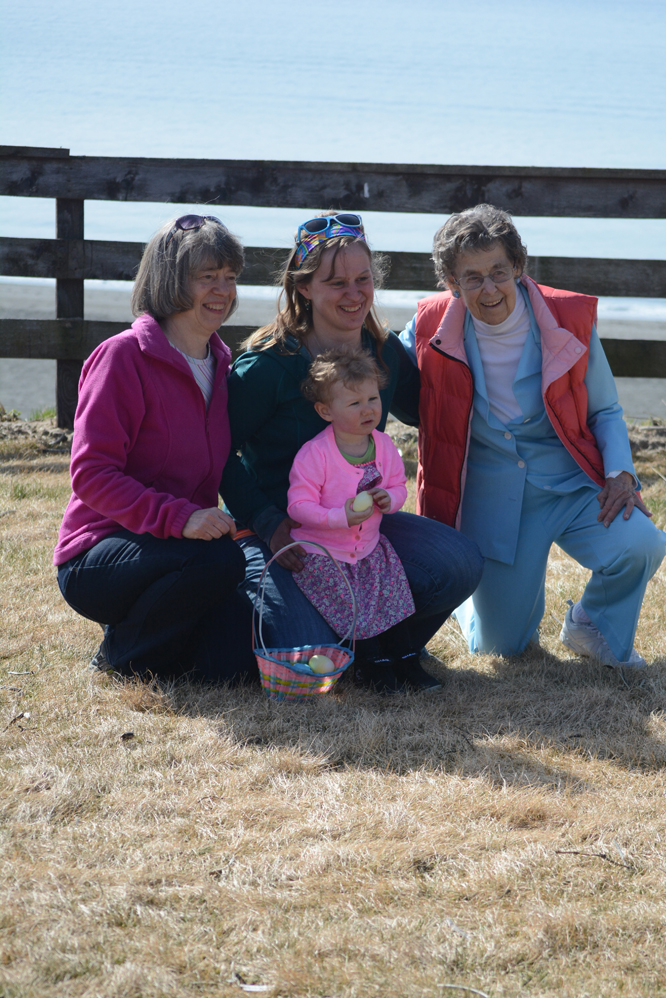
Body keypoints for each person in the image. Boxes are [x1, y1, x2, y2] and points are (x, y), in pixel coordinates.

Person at [220, 212, 484, 691]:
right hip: (281, 536)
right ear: (303, 287)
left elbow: (430, 410)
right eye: (335, 282)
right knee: (310, 654)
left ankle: (384, 650)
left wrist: (482, 321)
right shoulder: (266, 366)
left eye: (363, 279)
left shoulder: (381, 353)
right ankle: (343, 640)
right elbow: (217, 453)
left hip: (361, 531)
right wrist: (266, 522)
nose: (354, 293)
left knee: (459, 563)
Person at [400, 204, 666, 667]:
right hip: (492, 499)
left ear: (519, 267)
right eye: (472, 277)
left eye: (498, 272)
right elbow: (377, 368)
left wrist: (621, 474)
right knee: (501, 647)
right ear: (451, 283)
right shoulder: (431, 325)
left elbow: (604, 408)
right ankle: (471, 600)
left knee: (641, 545)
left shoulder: (567, 318)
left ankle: (592, 624)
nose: (489, 289)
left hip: (570, 485)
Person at [54, 214, 256, 682]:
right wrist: (181, 517)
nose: (223, 291)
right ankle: (121, 654)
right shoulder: (122, 357)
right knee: (220, 560)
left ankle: (156, 643)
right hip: (99, 554)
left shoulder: (223, 364)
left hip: (186, 552)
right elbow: (91, 475)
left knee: (232, 668)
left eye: (229, 278)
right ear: (169, 280)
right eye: (207, 278)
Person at [288, 347, 434, 694]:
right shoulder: (315, 454)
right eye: (354, 403)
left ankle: (407, 661)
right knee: (356, 611)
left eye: (373, 398)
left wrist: (390, 498)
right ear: (326, 411)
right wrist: (341, 516)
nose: (368, 408)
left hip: (369, 549)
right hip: (324, 555)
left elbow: (399, 486)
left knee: (393, 602)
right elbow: (298, 506)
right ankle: (373, 668)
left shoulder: (383, 446)